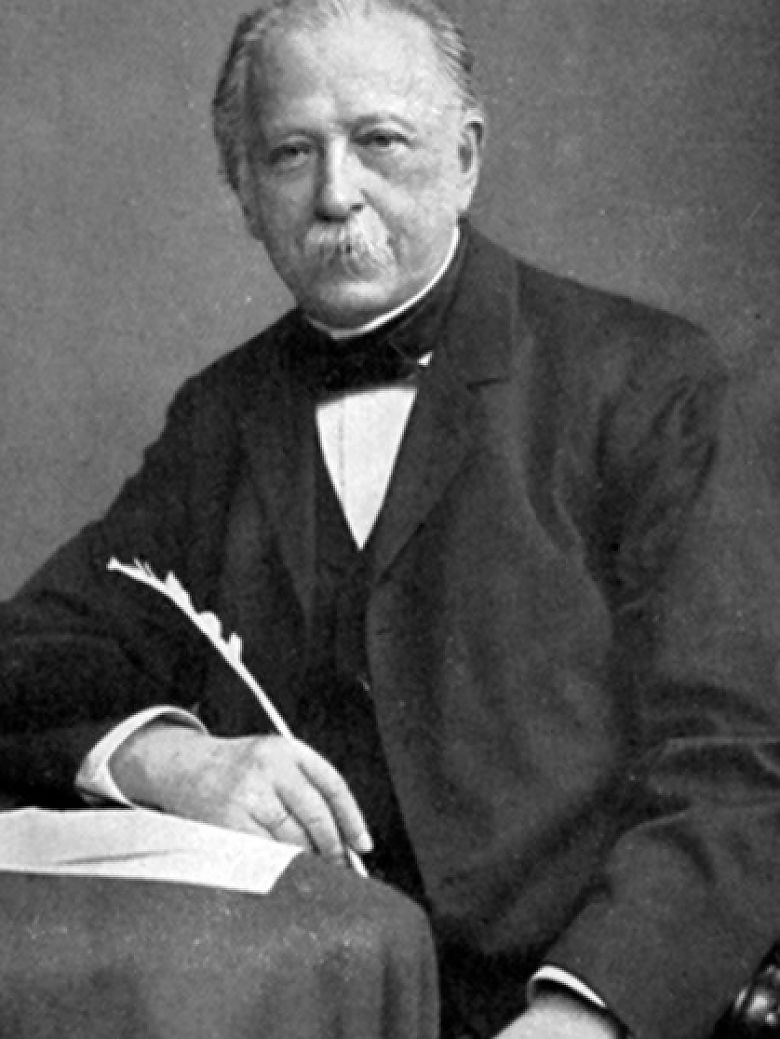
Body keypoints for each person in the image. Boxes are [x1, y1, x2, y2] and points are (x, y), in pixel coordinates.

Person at [2, 1, 780, 1037]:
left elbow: (739, 763)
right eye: (290, 154)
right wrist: (170, 758)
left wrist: (587, 1009)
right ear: (243, 192)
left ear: (465, 159)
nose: (336, 193)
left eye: (379, 141)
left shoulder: (646, 380)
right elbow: (29, 657)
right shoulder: (218, 418)